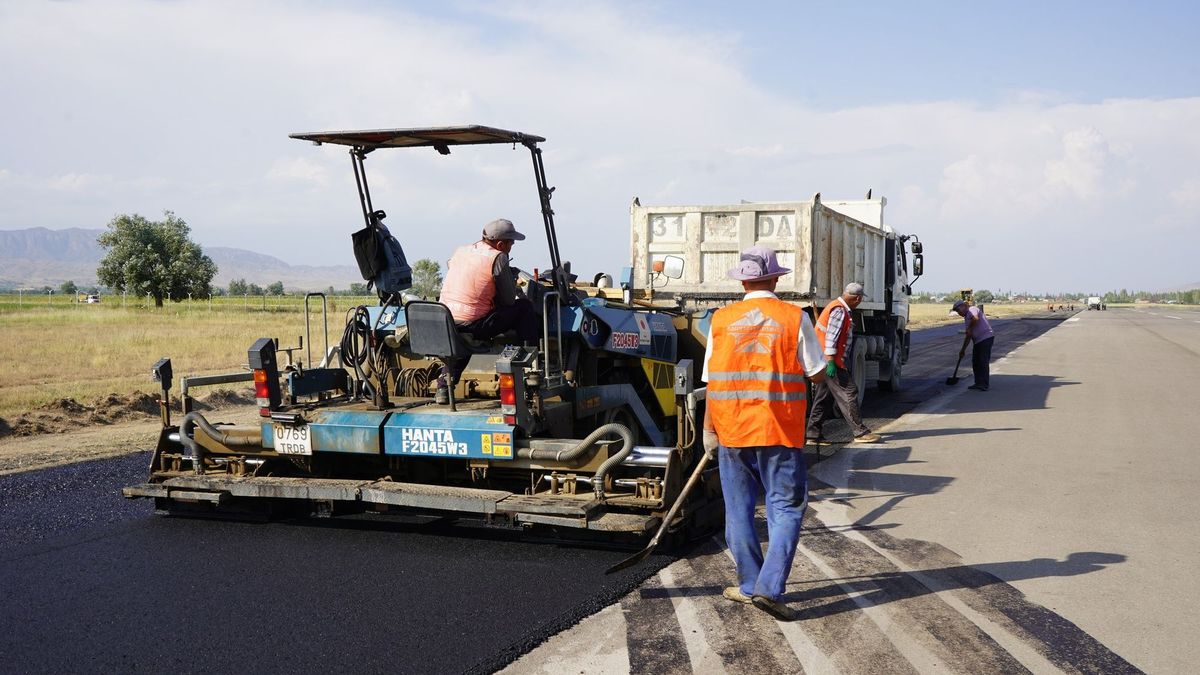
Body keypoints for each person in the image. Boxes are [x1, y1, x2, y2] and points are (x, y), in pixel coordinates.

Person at [701, 245, 826, 622]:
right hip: (778, 429)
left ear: (742, 280)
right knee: (785, 507)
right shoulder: (794, 318)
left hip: (731, 429)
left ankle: (748, 585)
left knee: (738, 510)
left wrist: (709, 428)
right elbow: (817, 371)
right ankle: (768, 590)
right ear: (775, 278)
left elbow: (711, 381)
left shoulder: (720, 320)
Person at [439, 218, 540, 346]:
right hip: (471, 325)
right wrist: (513, 286)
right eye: (511, 244)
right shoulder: (498, 257)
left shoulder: (461, 251)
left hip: (445, 319)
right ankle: (530, 357)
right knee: (524, 307)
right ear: (500, 245)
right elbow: (508, 301)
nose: (511, 248)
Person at [806, 282, 882, 444]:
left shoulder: (836, 307)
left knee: (823, 396)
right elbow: (831, 337)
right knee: (849, 392)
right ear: (857, 298)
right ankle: (860, 432)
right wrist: (832, 361)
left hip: (823, 359)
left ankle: (813, 434)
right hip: (830, 361)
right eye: (860, 299)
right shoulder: (839, 311)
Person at [952, 299, 994, 390]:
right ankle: (978, 383)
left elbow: (975, 318)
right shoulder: (966, 318)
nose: (959, 313)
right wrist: (962, 350)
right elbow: (968, 336)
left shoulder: (972, 309)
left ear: (963, 306)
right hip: (978, 341)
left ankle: (984, 384)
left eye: (958, 310)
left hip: (986, 338)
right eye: (957, 312)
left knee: (983, 361)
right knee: (975, 362)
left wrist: (970, 328)